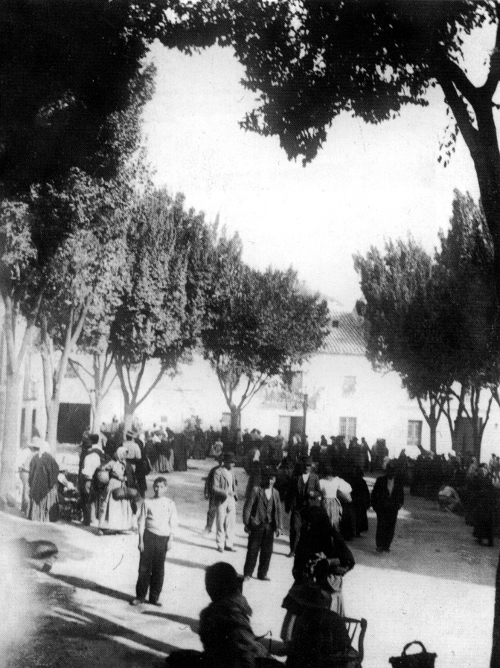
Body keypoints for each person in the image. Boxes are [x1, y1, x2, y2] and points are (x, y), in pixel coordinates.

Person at [198, 562, 271, 668]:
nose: (207, 588)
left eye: (208, 584)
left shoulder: (227, 615)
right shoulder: (235, 606)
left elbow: (244, 658)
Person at [292, 505, 355, 615]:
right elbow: (298, 563)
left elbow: (349, 560)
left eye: (310, 522)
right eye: (306, 522)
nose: (307, 525)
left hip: (328, 586)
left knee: (328, 619)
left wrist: (329, 562)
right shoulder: (305, 537)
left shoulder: (332, 536)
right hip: (308, 585)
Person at [130, 477, 178, 607]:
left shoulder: (170, 504)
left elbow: (173, 523)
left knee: (158, 569)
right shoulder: (147, 502)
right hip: (149, 536)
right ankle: (140, 596)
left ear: (166, 488)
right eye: (156, 486)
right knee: (144, 568)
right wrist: (141, 540)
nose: (158, 489)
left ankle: (154, 597)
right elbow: (141, 522)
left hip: (163, 538)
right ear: (153, 487)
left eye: (161, 487)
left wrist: (170, 539)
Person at [243, 467, 283, 582]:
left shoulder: (275, 493)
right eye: (269, 479)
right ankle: (248, 573)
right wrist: (246, 523)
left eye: (273, 479)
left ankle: (262, 573)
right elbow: (248, 507)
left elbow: (279, 510)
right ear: (264, 479)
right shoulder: (256, 490)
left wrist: (279, 527)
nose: (270, 481)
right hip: (256, 524)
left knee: (267, 551)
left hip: (269, 526)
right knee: (252, 550)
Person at [285, 456, 321, 557]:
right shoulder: (296, 477)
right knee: (295, 528)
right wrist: (288, 506)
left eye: (308, 466)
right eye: (305, 466)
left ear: (311, 467)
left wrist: (314, 493)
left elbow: (319, 492)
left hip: (309, 508)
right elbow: (290, 492)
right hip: (297, 507)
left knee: (306, 529)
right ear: (302, 466)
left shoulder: (315, 477)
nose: (306, 468)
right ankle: (293, 550)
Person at [98, 446, 134, 534]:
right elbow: (102, 469)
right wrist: (112, 473)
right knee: (109, 504)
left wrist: (125, 478)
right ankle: (103, 527)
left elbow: (131, 476)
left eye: (126, 454)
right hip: (113, 485)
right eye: (124, 454)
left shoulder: (127, 464)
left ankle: (120, 527)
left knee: (122, 505)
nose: (125, 456)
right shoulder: (112, 463)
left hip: (122, 486)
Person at [371, 461, 404, 553]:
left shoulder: (398, 481)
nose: (392, 473)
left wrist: (400, 504)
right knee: (381, 526)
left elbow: (401, 494)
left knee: (391, 527)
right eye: (390, 471)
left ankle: (387, 545)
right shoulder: (380, 480)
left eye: (393, 471)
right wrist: (374, 505)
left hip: (393, 508)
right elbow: (374, 493)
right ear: (387, 471)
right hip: (382, 508)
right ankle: (380, 545)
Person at [28, 438, 60, 522]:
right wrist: (51, 482)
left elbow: (31, 472)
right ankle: (45, 517)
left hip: (36, 486)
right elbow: (55, 472)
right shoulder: (51, 459)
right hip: (47, 487)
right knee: (46, 501)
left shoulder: (35, 458)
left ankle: (35, 516)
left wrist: (31, 483)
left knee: (36, 501)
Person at [213, 452, 238, 552]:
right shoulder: (218, 472)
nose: (233, 464)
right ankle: (220, 544)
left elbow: (234, 485)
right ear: (226, 461)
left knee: (230, 522)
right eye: (231, 462)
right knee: (220, 521)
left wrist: (235, 494)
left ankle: (229, 543)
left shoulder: (232, 472)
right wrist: (225, 492)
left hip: (231, 499)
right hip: (221, 499)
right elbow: (214, 487)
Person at [79, 433, 107, 526]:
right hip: (97, 479)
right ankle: (95, 517)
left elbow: (84, 471)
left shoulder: (87, 456)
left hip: (88, 479)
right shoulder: (98, 453)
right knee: (95, 498)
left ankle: (88, 519)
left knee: (86, 499)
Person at [318, 465, 351, 531]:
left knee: (326, 520)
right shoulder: (337, 480)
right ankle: (335, 534)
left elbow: (319, 493)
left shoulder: (321, 482)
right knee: (335, 521)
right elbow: (348, 488)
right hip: (334, 502)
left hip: (325, 502)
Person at [203, 456, 223, 534]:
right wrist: (206, 492)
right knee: (211, 511)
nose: (222, 463)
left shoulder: (229, 471)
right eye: (220, 461)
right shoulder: (214, 470)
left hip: (224, 495)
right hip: (214, 494)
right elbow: (208, 482)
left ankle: (222, 530)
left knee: (223, 513)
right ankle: (208, 527)